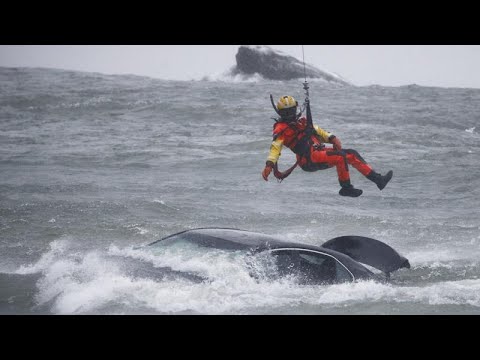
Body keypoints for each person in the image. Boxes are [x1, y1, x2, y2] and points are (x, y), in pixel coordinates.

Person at [262, 95, 393, 197]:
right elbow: (275, 148)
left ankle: (379, 180)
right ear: (281, 113)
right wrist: (269, 165)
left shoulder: (302, 121)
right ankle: (346, 188)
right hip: (308, 159)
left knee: (351, 154)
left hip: (319, 153)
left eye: (292, 110)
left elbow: (317, 130)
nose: (290, 114)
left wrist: (332, 137)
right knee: (340, 157)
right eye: (286, 112)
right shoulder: (281, 129)